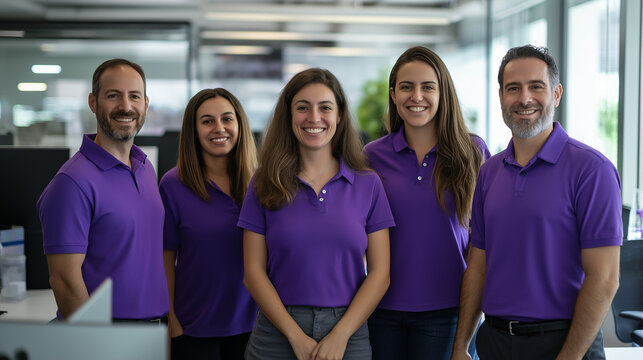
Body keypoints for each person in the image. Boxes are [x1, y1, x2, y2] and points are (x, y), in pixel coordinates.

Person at [451, 45, 622, 360]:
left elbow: (605, 278)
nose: (524, 98)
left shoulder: (592, 170)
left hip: (566, 344)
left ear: (556, 94)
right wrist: (461, 345)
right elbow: (478, 267)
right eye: (513, 88)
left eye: (536, 87)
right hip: (495, 343)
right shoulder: (489, 172)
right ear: (501, 96)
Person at [239, 68, 394, 360]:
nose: (314, 117)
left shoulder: (368, 184)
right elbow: (253, 272)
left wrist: (341, 335)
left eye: (325, 107)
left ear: (339, 116)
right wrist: (295, 336)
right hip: (276, 332)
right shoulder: (263, 182)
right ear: (289, 116)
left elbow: (380, 273)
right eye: (302, 108)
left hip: (349, 331)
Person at [363, 46, 489, 360]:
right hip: (381, 309)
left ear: (442, 92)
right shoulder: (371, 156)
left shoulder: (472, 151)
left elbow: (481, 238)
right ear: (393, 94)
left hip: (448, 309)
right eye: (406, 87)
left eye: (427, 87)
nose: (416, 96)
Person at [37, 58, 169, 322]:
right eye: (113, 96)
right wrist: (99, 344)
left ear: (145, 104)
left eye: (135, 96)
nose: (126, 106)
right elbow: (64, 281)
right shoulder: (72, 182)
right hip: (108, 334)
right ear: (93, 102)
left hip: (154, 328)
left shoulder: (145, 168)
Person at [160, 88, 258, 359]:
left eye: (227, 119)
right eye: (207, 121)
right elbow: (165, 258)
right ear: (193, 130)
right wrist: (172, 322)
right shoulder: (173, 184)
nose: (219, 128)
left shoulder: (261, 184)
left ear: (239, 124)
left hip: (256, 327)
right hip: (193, 329)